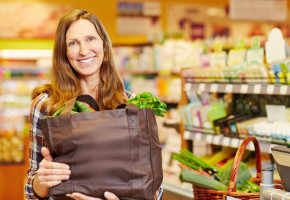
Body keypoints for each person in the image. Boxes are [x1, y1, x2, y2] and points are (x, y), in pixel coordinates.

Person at [25, 9, 163, 200]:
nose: (83, 50)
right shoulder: (46, 105)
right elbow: (30, 193)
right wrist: (43, 180)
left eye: (90, 39)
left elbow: (156, 188)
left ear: (104, 44)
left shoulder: (131, 104)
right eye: (73, 43)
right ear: (63, 52)